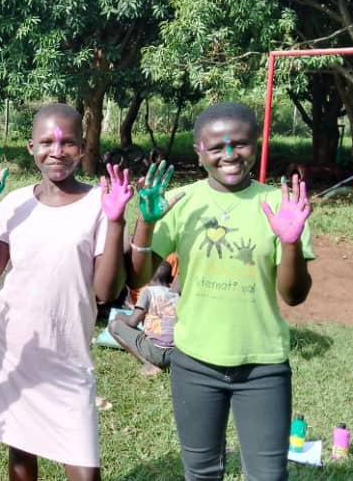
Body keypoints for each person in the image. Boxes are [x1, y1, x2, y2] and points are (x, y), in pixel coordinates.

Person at [128, 101, 314, 481]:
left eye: (240, 144)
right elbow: (137, 278)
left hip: (262, 366)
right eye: (216, 148)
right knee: (201, 473)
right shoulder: (181, 203)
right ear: (199, 151)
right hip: (194, 362)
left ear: (256, 145)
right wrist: (145, 224)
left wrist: (290, 242)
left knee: (268, 475)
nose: (229, 155)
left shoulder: (280, 205)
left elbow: (294, 296)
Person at [0, 103, 131, 481]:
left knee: (84, 468)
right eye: (46, 142)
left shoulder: (99, 204)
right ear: (31, 147)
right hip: (17, 347)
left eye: (68, 142)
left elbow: (106, 291)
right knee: (22, 456)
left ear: (83, 148)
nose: (57, 151)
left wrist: (117, 219)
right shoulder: (15, 203)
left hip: (69, 352)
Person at [108, 260, 179, 376]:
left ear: (147, 278)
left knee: (113, 325)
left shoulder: (148, 292)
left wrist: (121, 316)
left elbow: (133, 322)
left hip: (156, 350)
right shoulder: (176, 296)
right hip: (174, 355)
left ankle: (149, 364)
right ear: (171, 279)